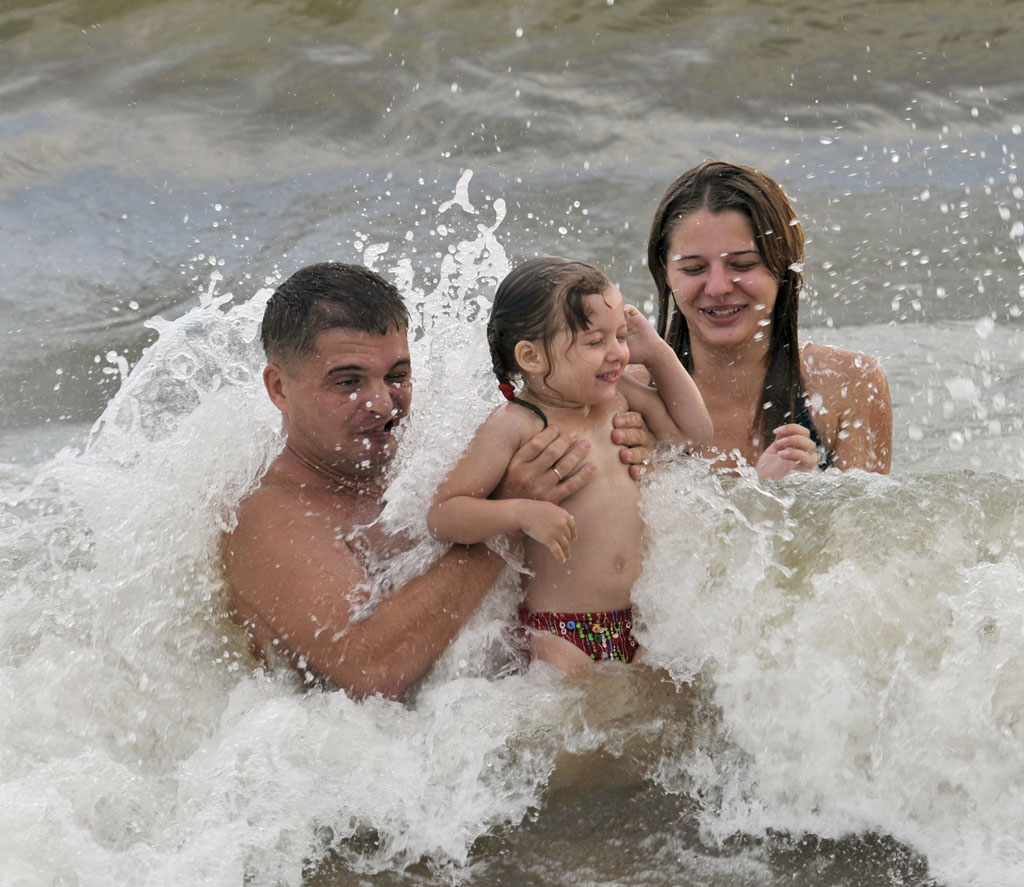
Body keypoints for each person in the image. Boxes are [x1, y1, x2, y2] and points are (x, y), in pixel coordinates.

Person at [220, 262, 655, 700]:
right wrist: (509, 514)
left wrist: (621, 433)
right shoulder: (270, 518)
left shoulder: (418, 452)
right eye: (348, 381)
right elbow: (374, 669)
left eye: (397, 376)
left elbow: (566, 392)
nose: (382, 403)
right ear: (279, 388)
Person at [427, 257, 712, 673]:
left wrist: (656, 353)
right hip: (558, 633)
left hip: (635, 624)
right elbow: (444, 513)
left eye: (620, 336)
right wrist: (521, 512)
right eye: (595, 342)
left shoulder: (620, 397)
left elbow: (694, 435)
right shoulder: (515, 425)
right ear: (532, 357)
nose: (618, 353)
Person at [647, 160, 893, 479]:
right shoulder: (623, 397)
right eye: (694, 269)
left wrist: (804, 495)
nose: (719, 287)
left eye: (743, 264)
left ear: (783, 268)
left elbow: (871, 528)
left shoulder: (848, 386)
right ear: (665, 273)